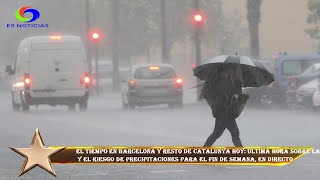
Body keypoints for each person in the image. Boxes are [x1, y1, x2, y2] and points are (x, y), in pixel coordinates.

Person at [201, 66, 245, 147]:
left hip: (222, 112)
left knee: (217, 133)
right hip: (225, 112)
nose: (231, 72)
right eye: (231, 70)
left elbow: (234, 93)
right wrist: (238, 82)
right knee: (234, 133)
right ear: (226, 71)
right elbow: (234, 93)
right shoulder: (224, 82)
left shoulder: (220, 81)